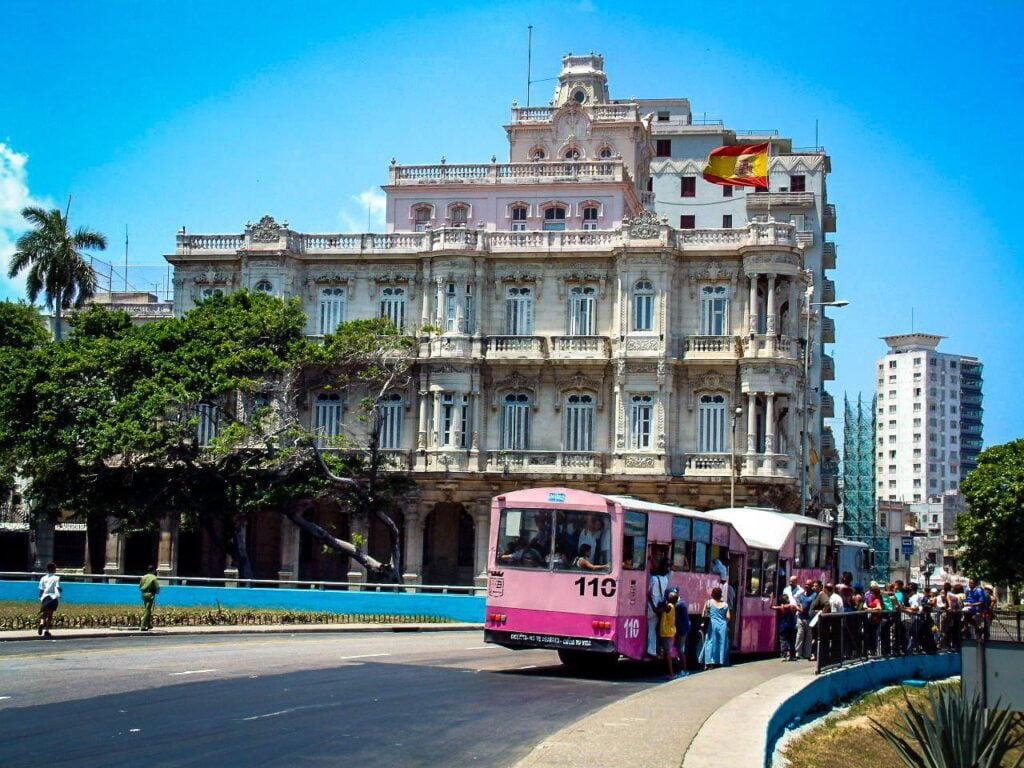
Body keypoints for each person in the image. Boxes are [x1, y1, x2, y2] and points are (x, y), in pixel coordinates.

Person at [698, 586, 731, 668]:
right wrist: (723, 622)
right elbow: (728, 617)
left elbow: (703, 614)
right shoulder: (725, 605)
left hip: (712, 625)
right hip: (722, 625)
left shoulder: (708, 603)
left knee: (710, 642)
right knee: (721, 643)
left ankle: (709, 662)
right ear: (720, 595)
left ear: (712, 594)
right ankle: (720, 661)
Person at [646, 557, 671, 656]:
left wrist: (653, 606)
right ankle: (656, 650)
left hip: (652, 607)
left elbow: (648, 592)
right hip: (660, 608)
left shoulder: (653, 579)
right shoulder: (665, 579)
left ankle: (651, 650)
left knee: (651, 629)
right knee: (655, 629)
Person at [658, 589, 680, 680]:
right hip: (670, 631)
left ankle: (671, 673)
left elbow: (658, 610)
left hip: (666, 632)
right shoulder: (673, 606)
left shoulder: (669, 606)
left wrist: (651, 601)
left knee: (667, 653)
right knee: (668, 652)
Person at [37, 562, 62, 637]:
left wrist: (40, 597)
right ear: (54, 569)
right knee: (50, 615)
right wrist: (60, 590)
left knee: (44, 612)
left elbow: (41, 590)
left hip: (45, 597)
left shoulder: (43, 578)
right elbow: (57, 587)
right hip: (53, 598)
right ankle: (47, 630)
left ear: (47, 569)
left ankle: (41, 623)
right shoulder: (56, 578)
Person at [774, 593, 799, 661]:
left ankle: (783, 655)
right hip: (792, 625)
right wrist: (799, 605)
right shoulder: (792, 606)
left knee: (783, 640)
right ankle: (792, 656)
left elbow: (771, 607)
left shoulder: (781, 607)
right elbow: (800, 610)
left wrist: (771, 599)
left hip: (783, 626)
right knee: (792, 641)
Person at [795, 580, 815, 660]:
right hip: (800, 617)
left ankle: (807, 654)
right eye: (806, 584)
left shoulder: (814, 595)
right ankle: (798, 653)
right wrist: (799, 607)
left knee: (808, 636)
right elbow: (799, 603)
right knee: (800, 635)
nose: (806, 586)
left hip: (809, 618)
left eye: (809, 585)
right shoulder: (802, 595)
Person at [672, 588, 691, 676]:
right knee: (679, 649)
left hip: (682, 630)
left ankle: (684, 670)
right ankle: (682, 669)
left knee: (680, 650)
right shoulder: (681, 602)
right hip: (682, 629)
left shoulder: (679, 604)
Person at [139, 564, 160, 631]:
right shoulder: (154, 577)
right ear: (153, 570)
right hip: (150, 594)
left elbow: (140, 586)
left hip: (143, 594)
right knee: (148, 610)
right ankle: (143, 625)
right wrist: (157, 591)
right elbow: (157, 587)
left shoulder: (144, 577)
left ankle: (148, 624)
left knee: (147, 609)